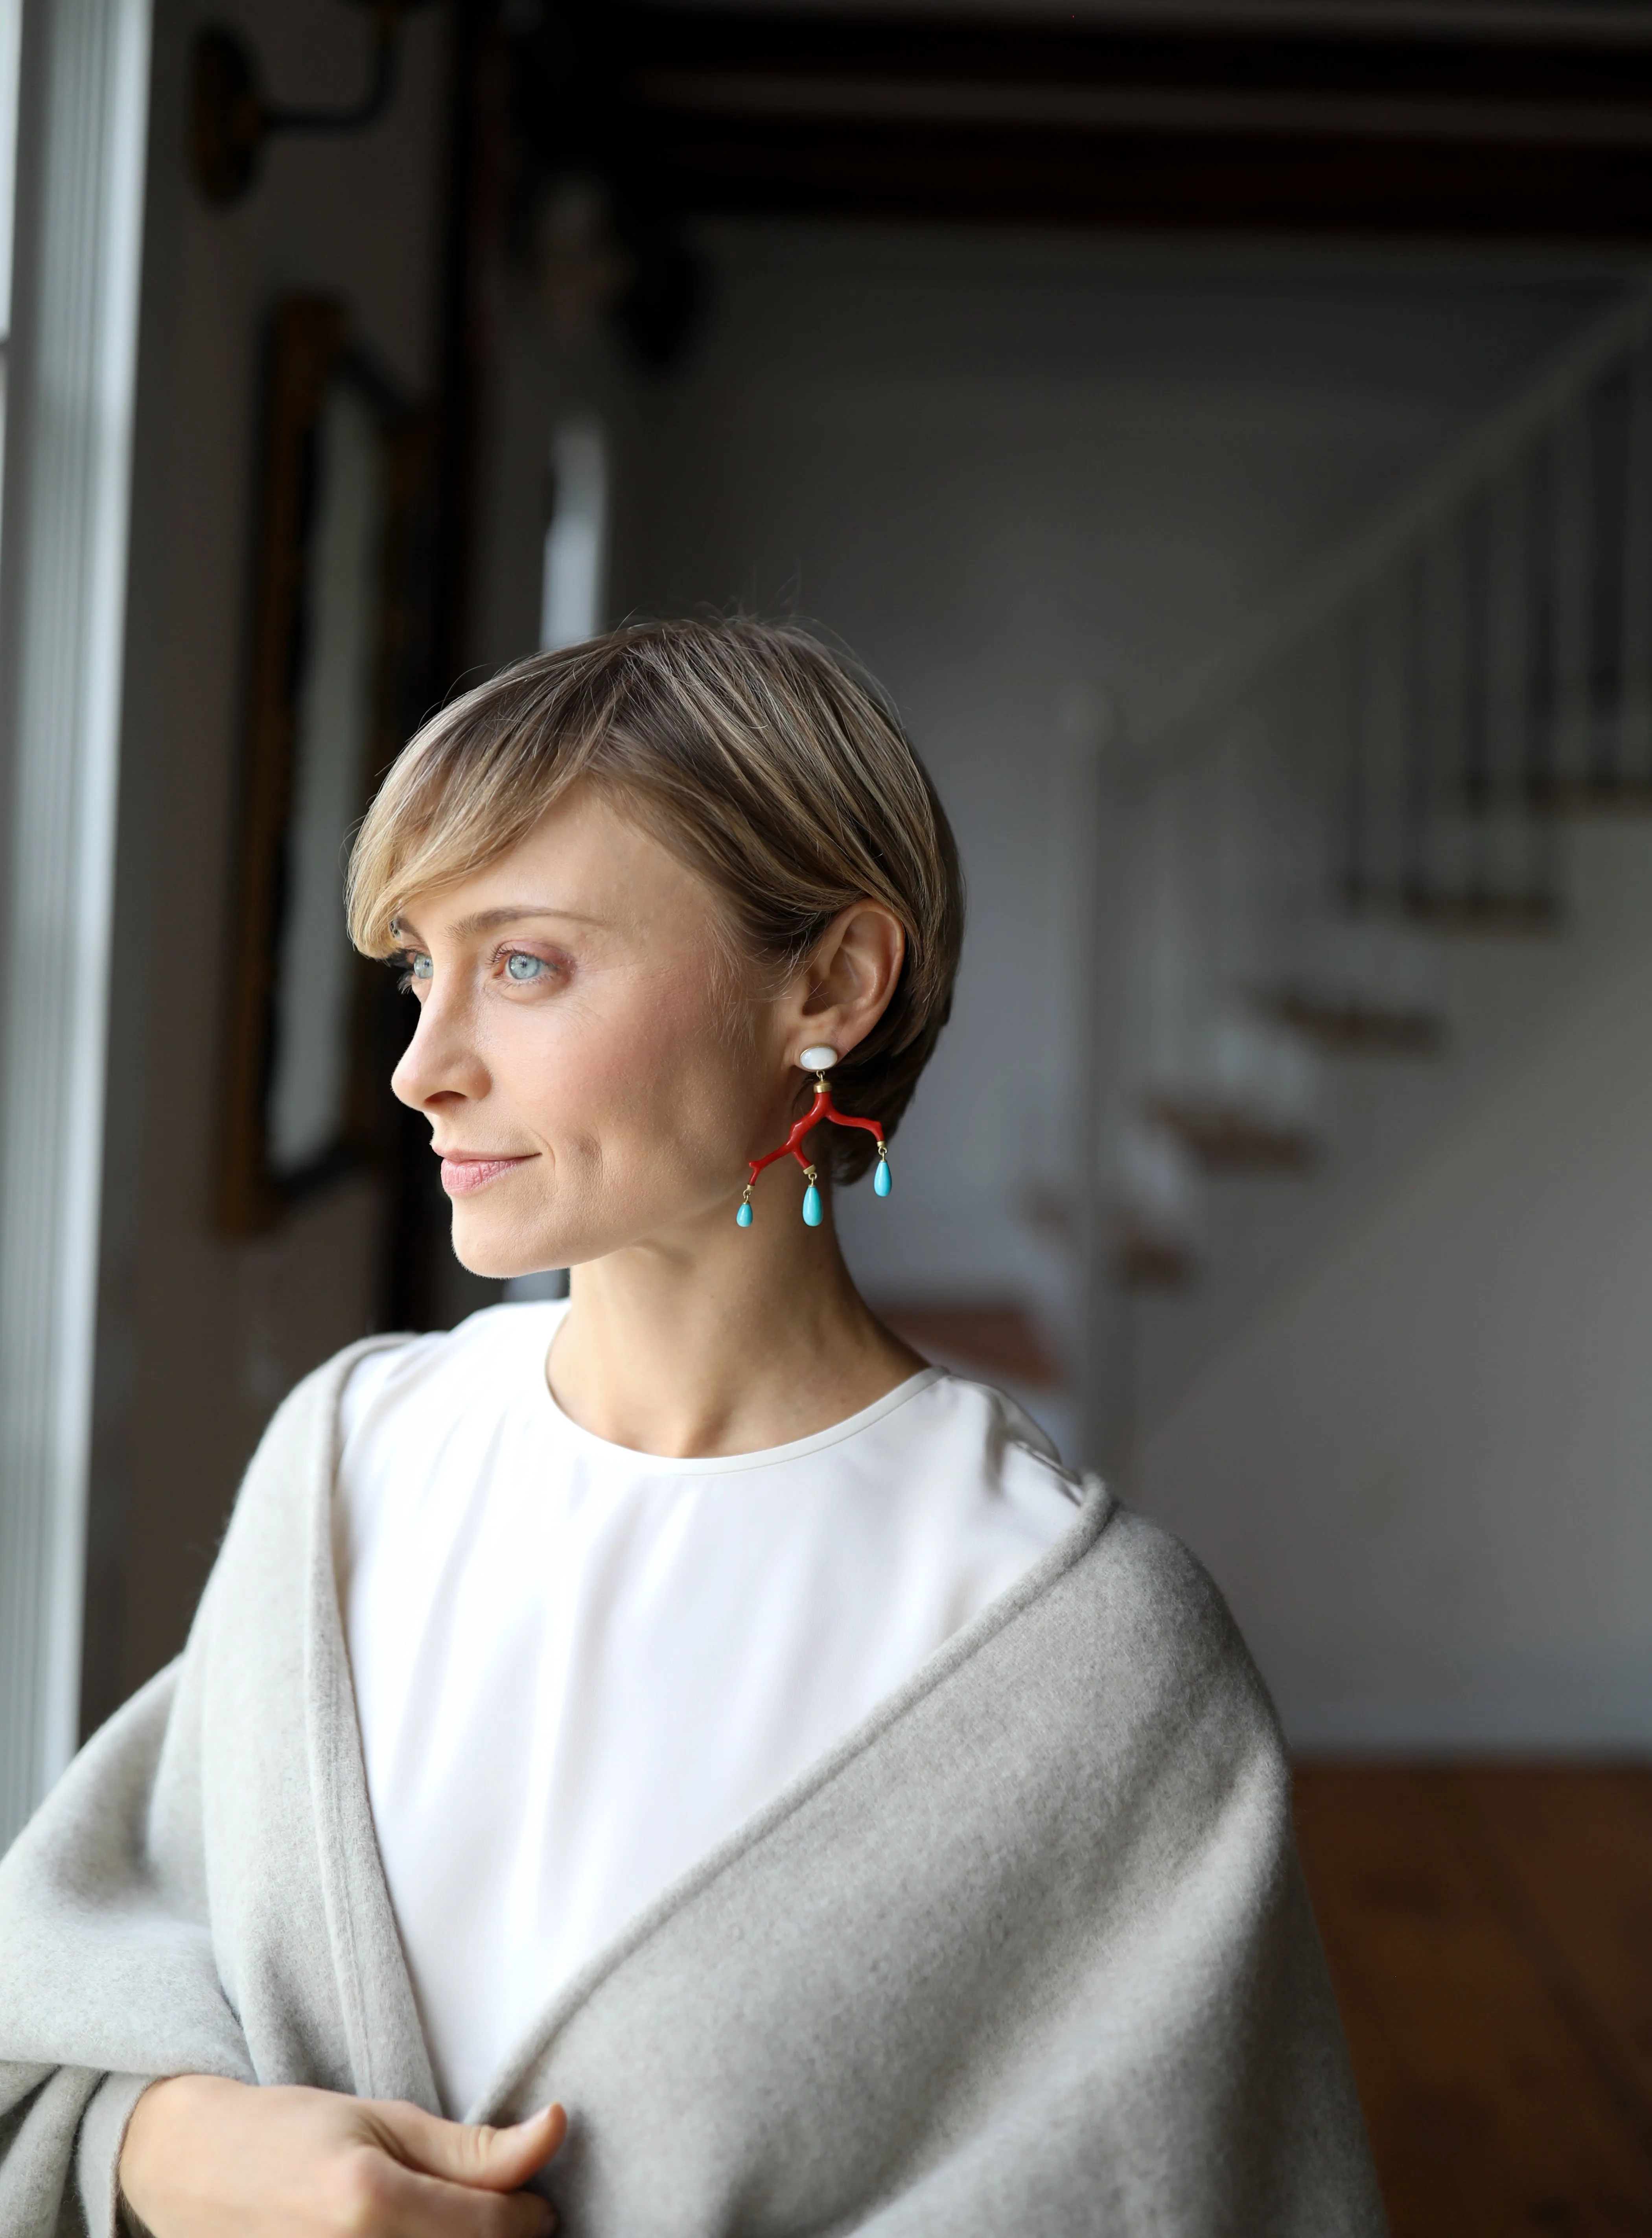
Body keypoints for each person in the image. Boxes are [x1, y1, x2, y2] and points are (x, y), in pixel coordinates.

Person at [0, 619, 1385, 2236]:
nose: (422, 1068)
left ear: (831, 983)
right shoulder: (346, 1462)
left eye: (523, 963)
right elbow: (78, 1977)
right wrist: (162, 2143)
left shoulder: (1083, 1655)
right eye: (414, 971)